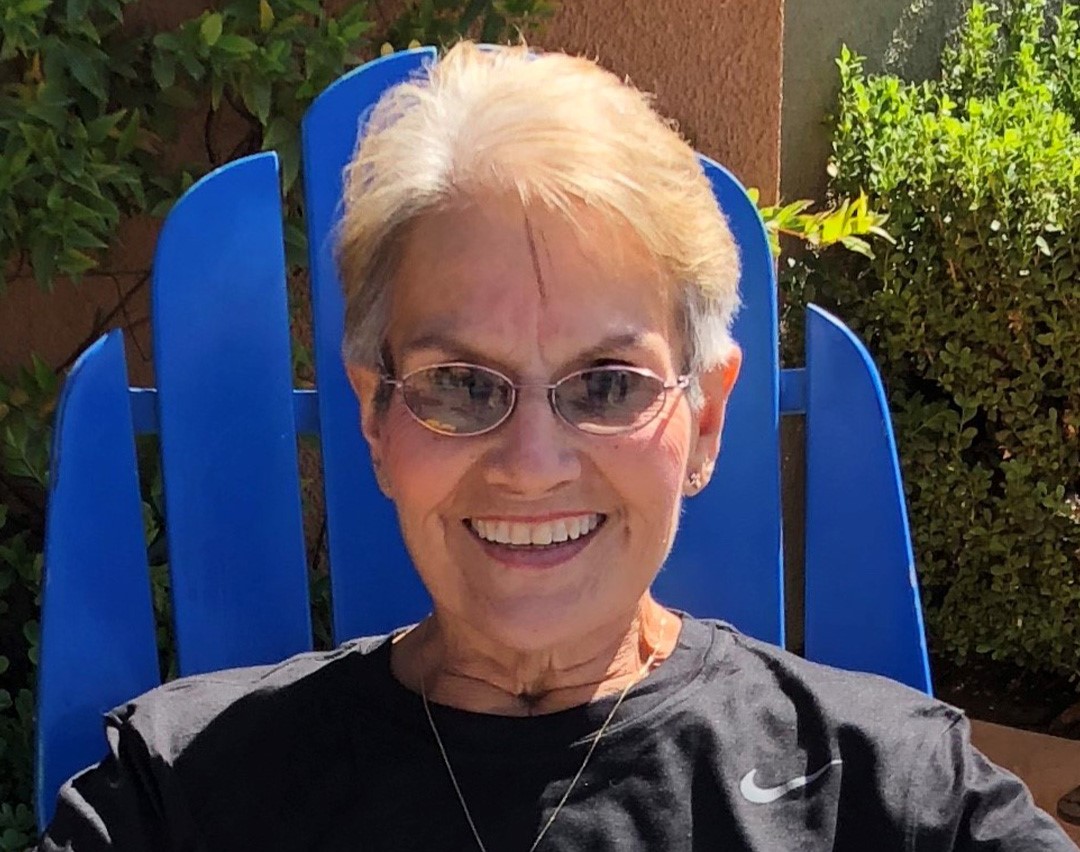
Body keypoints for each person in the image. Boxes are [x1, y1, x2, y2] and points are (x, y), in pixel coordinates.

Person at [38, 41, 1077, 851]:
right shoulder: (182, 799)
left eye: (609, 384)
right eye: (459, 385)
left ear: (705, 419)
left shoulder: (887, 797)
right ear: (376, 418)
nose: (532, 464)